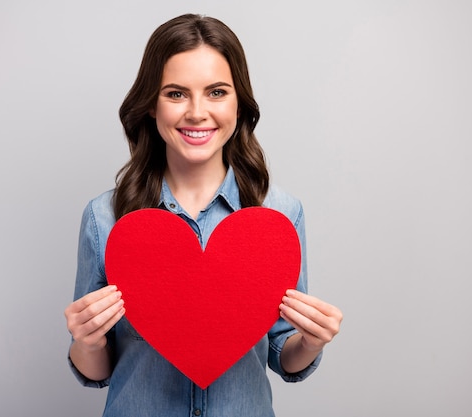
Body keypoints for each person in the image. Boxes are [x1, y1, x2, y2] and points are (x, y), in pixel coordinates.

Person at [64, 13, 343, 417]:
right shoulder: (105, 219)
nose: (197, 112)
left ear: (239, 102)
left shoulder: (278, 214)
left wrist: (312, 342)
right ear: (150, 105)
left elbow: (284, 356)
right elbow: (97, 371)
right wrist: (86, 343)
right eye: (176, 94)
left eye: (216, 92)